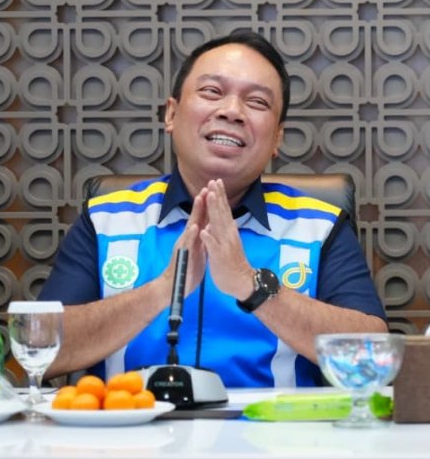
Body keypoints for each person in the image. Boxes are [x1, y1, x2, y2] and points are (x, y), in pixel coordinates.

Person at [39, 31, 387, 387]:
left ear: (277, 139)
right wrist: (164, 288)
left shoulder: (319, 227)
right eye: (212, 92)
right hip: (132, 420)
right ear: (171, 114)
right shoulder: (106, 219)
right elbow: (39, 349)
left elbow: (373, 359)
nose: (232, 111)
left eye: (257, 102)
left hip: (273, 424)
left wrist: (253, 286)